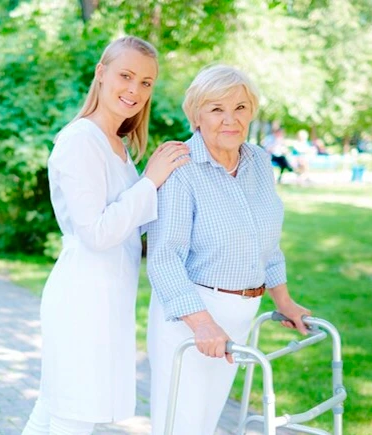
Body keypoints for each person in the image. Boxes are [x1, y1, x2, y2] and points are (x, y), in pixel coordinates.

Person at [22, 36, 190, 435]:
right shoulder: (82, 141)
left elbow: (130, 221)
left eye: (146, 82)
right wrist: (150, 182)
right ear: (101, 74)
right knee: (72, 417)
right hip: (83, 299)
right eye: (126, 76)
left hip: (106, 298)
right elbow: (97, 232)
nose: (135, 90)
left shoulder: (117, 143)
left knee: (52, 411)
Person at [146, 65, 311, 435]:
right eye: (216, 109)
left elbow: (265, 243)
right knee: (179, 426)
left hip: (241, 314)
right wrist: (203, 324)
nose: (230, 120)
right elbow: (163, 258)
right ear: (197, 115)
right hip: (192, 317)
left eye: (239, 107)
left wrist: (283, 301)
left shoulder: (258, 162)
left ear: (251, 112)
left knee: (205, 424)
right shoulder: (181, 167)